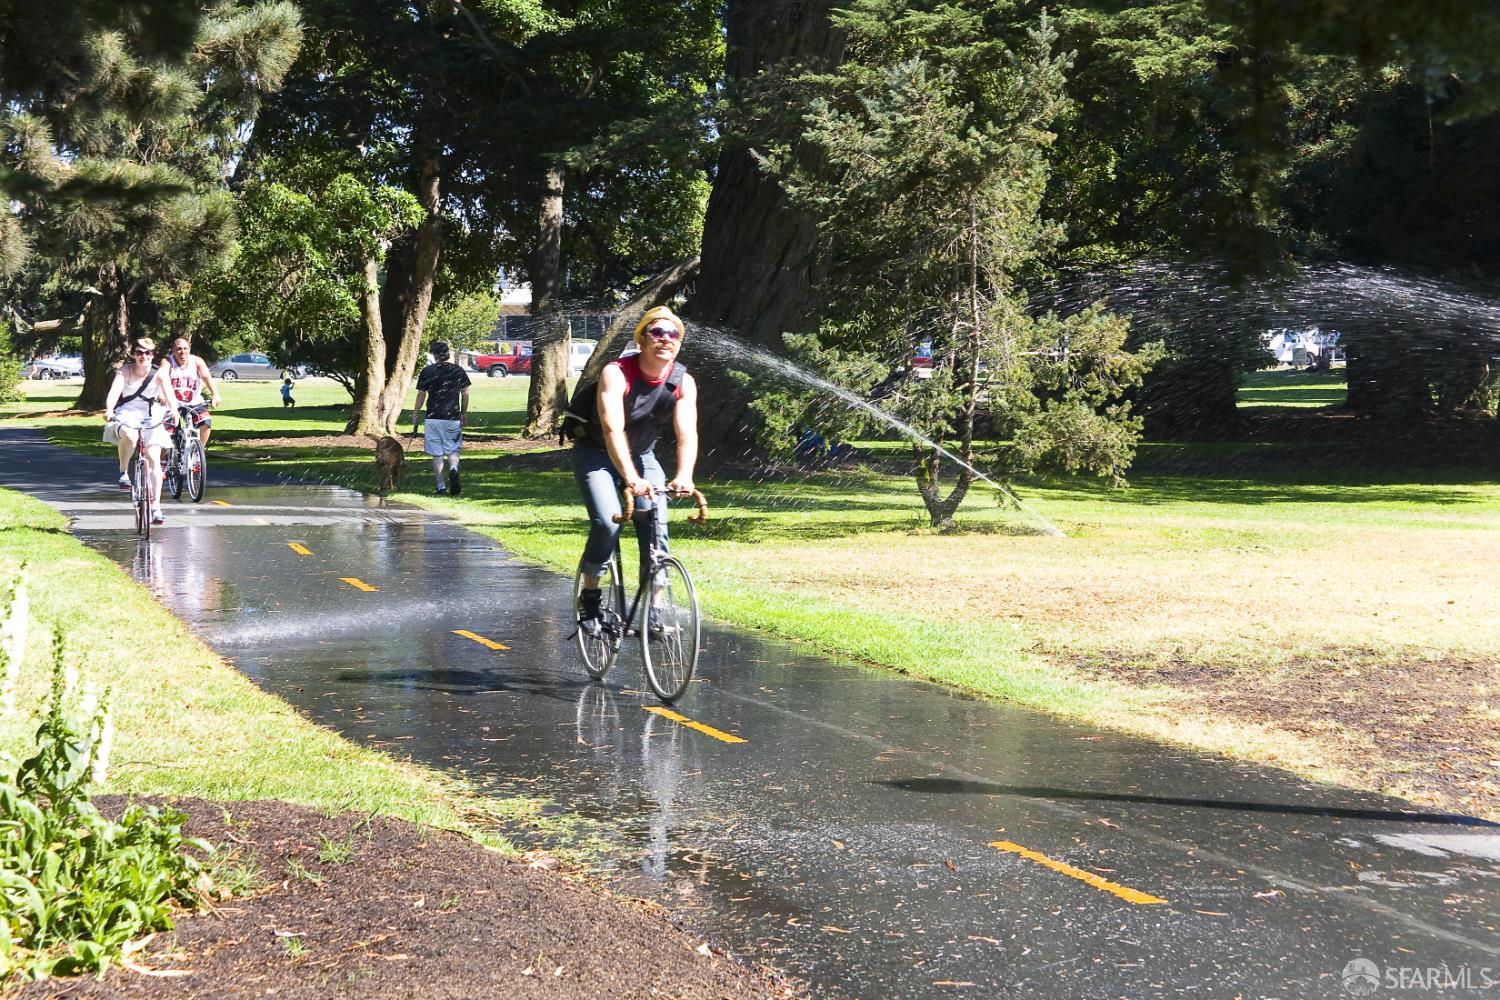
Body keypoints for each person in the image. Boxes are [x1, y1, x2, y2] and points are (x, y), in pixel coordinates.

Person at [572, 305, 698, 629]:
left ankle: (654, 610)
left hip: (643, 454)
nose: (666, 339)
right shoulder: (616, 373)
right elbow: (613, 429)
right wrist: (630, 478)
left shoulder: (683, 382)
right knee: (608, 521)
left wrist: (684, 475)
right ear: (641, 339)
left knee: (656, 520)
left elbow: (687, 433)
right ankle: (589, 598)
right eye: (657, 333)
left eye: (673, 335)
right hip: (597, 453)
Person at [104, 338, 174, 524]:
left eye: (147, 353)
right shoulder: (125, 371)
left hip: (151, 415)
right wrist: (109, 409)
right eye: (139, 352)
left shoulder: (159, 373)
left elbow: (169, 394)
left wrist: (174, 410)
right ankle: (123, 471)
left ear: (153, 355)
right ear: (133, 354)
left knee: (154, 459)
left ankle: (156, 507)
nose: (143, 356)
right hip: (128, 412)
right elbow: (115, 391)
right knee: (130, 435)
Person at [410, 341, 471, 495]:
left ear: (434, 355)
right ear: (448, 354)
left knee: (437, 453)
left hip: (433, 417)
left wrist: (416, 412)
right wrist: (463, 412)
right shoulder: (458, 370)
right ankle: (453, 468)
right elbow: (465, 393)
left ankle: (441, 487)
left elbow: (421, 394)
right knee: (453, 449)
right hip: (452, 416)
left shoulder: (427, 371)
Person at [159, 336, 219, 449]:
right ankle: (163, 462)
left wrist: (215, 394)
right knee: (167, 433)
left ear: (189, 349)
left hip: (194, 402)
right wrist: (161, 394)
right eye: (179, 349)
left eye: (185, 348)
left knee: (206, 422)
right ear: (173, 350)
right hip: (172, 404)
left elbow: (207, 377)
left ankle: (198, 453)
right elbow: (161, 377)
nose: (183, 352)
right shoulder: (167, 361)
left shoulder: (196, 361)